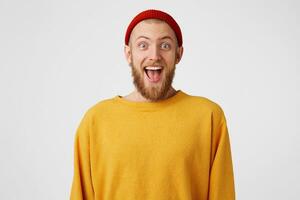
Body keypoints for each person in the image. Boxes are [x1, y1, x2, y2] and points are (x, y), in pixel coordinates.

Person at [70, 9, 235, 200]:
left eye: (165, 45)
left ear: (178, 54)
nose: (154, 55)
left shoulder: (208, 117)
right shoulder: (95, 121)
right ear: (129, 54)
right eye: (143, 45)